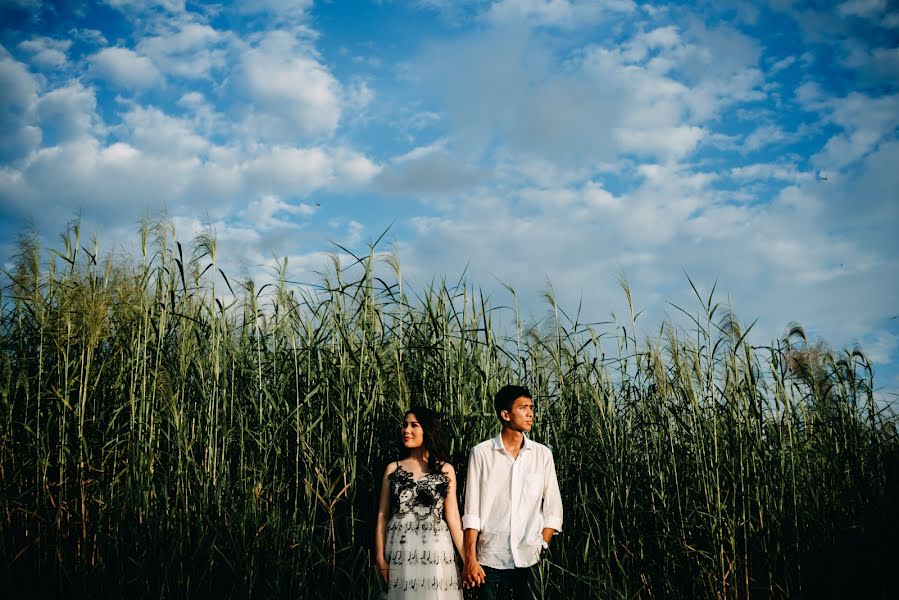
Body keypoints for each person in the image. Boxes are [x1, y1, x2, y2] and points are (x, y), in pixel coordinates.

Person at [461, 385, 563, 599]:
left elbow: (553, 506)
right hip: (490, 559)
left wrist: (543, 544)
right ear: (505, 414)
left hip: (530, 558)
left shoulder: (542, 454)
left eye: (531, 407)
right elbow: (472, 512)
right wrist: (470, 559)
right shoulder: (481, 453)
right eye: (523, 407)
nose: (530, 413)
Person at [375, 406, 464, 598]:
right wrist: (380, 558)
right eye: (405, 425)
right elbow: (382, 515)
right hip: (400, 547)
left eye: (414, 425)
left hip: (435, 547)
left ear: (428, 430)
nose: (406, 430)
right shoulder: (393, 469)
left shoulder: (445, 469)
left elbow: (453, 517)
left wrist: (468, 559)